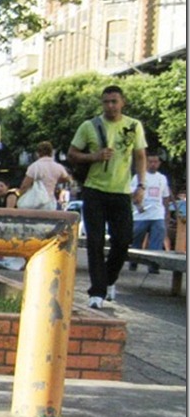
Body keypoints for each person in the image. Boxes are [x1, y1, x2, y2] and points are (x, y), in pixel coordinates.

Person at [67, 85, 147, 308]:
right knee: (95, 241)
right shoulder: (89, 126)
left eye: (114, 101)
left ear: (123, 102)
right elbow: (72, 154)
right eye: (106, 102)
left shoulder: (133, 126)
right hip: (94, 191)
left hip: (121, 192)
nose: (110, 106)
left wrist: (141, 185)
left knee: (122, 241)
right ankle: (97, 292)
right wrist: (94, 156)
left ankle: (109, 280)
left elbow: (140, 155)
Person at [128, 152, 172, 273]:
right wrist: (138, 205)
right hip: (140, 215)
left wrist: (166, 213)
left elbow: (165, 197)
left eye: (155, 162)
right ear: (146, 163)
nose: (153, 164)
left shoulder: (162, 178)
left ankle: (153, 266)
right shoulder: (138, 177)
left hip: (157, 214)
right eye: (150, 161)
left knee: (156, 240)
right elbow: (131, 193)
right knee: (137, 240)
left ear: (159, 163)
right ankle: (133, 263)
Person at [18, 141, 70, 209]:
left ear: (38, 153)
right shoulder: (58, 167)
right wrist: (55, 181)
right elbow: (67, 179)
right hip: (50, 202)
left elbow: (25, 185)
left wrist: (20, 196)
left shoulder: (34, 166)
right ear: (51, 152)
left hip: (35, 201)